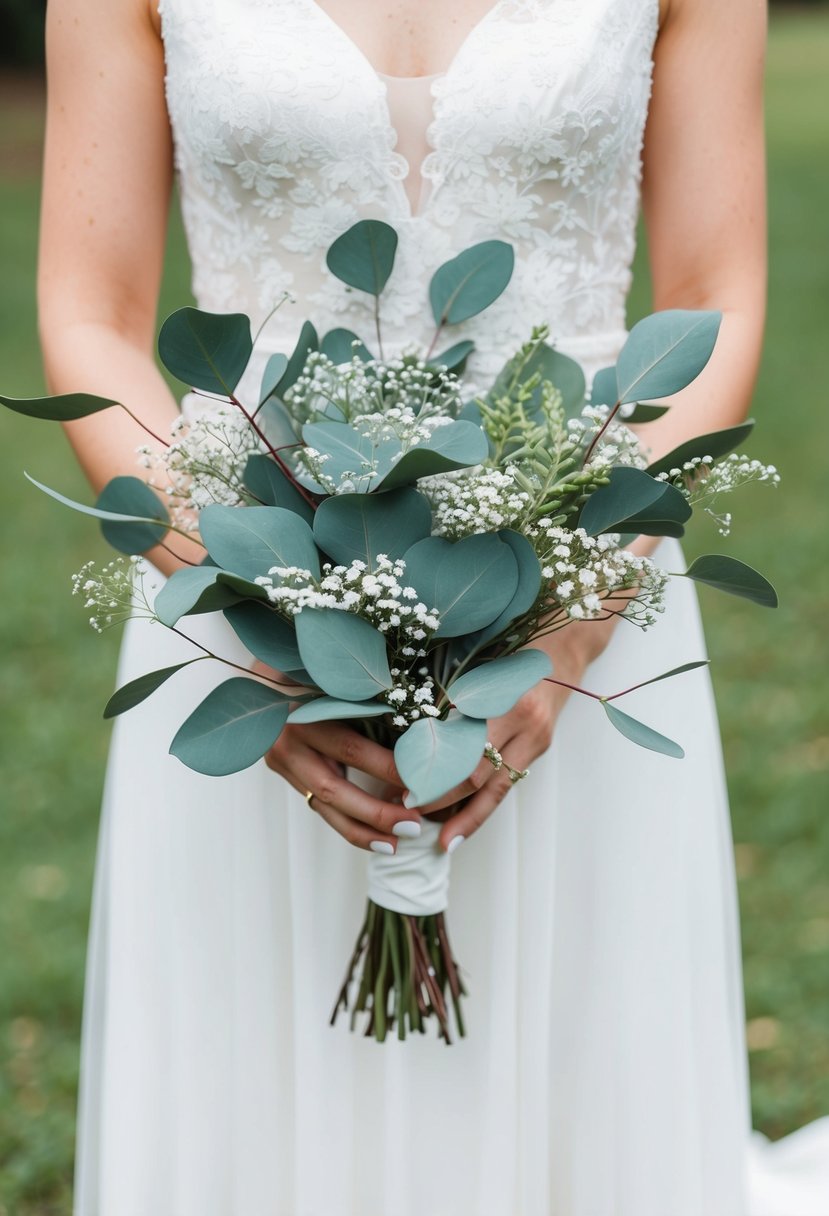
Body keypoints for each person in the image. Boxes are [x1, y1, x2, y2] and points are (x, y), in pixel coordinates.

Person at [38, 0, 829, 1213]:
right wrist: (261, 606)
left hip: (582, 562)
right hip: (243, 577)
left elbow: (714, 287)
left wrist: (573, 615)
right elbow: (90, 309)